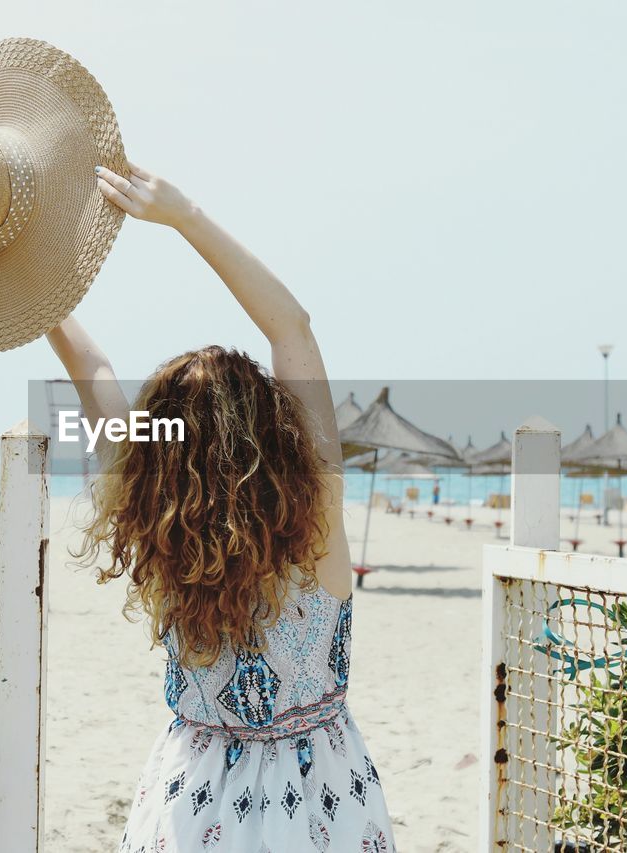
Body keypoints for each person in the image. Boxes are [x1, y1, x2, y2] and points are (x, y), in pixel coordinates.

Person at [47, 163, 396, 851]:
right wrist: (185, 216)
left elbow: (93, 371)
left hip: (193, 792)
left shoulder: (153, 517)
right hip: (320, 793)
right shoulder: (317, 519)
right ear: (274, 434)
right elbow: (290, 323)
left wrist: (28, 290)